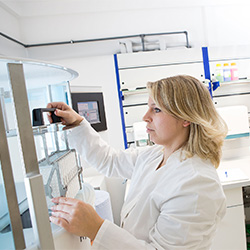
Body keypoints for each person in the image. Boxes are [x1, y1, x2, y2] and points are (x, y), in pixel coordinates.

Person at [48, 75, 228, 250]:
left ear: (186, 118)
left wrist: (96, 228)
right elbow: (110, 161)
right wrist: (77, 123)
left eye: (156, 109)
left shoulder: (197, 184)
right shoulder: (155, 155)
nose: (145, 117)